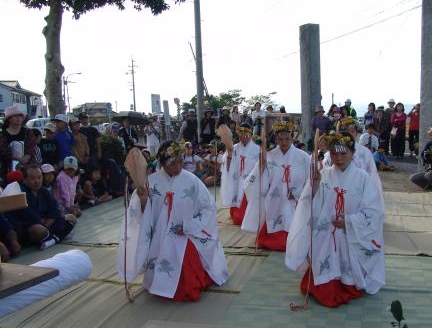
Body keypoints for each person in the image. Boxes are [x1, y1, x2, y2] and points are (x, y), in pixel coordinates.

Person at [117, 140, 229, 301]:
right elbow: (141, 214)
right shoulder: (151, 182)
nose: (178, 167)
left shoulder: (192, 180)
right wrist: (142, 201)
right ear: (162, 163)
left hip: (187, 233)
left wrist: (189, 226)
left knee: (188, 263)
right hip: (159, 236)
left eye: (180, 161)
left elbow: (209, 208)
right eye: (173, 163)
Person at [285, 131, 385, 308]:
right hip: (326, 232)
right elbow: (310, 205)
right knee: (323, 243)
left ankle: (348, 280)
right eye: (334, 153)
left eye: (343, 153)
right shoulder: (323, 175)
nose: (339, 158)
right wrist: (314, 188)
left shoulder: (363, 178)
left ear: (353, 153)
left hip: (351, 233)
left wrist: (349, 221)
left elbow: (373, 212)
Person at [241, 121, 310, 251]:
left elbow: (309, 180)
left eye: (287, 139)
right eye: (280, 139)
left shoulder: (304, 157)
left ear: (292, 138)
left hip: (295, 198)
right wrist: (261, 167)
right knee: (275, 214)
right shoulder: (270, 156)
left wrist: (298, 192)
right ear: (276, 139)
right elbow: (261, 178)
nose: (284, 142)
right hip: (275, 197)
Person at [5, 164, 76, 250]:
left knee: (72, 218)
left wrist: (48, 220)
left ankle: (52, 239)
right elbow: (34, 219)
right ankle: (56, 236)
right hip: (28, 231)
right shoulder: (20, 193)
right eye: (32, 178)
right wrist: (48, 219)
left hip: (46, 224)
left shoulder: (43, 191)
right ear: (24, 179)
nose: (37, 181)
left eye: (39, 177)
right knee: (38, 229)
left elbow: (55, 211)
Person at [220, 123, 260, 225]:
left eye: (246, 135)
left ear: (250, 135)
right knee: (237, 218)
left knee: (245, 217)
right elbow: (226, 166)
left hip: (250, 183)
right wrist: (229, 155)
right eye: (241, 135)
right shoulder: (234, 148)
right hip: (236, 180)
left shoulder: (257, 149)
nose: (243, 138)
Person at [0, 106, 38, 181]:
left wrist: (25, 159)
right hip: (8, 169)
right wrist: (18, 159)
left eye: (20, 116)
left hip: (28, 169)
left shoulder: (28, 132)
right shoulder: (2, 135)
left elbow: (31, 147)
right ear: (9, 119)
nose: (18, 118)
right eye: (15, 116)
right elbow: (3, 151)